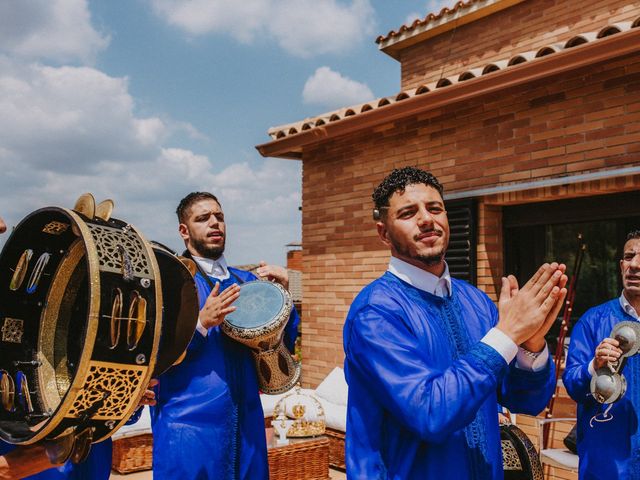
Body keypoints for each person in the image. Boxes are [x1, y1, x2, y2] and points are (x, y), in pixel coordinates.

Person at [343, 167, 568, 479]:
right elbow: (431, 414)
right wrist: (507, 334)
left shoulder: (475, 301)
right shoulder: (376, 313)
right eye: (408, 212)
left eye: (435, 208)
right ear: (384, 233)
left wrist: (531, 344)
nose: (426, 219)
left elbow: (524, 400)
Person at [151, 191, 300, 479]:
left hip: (247, 426)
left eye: (219, 216)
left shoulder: (248, 282)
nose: (214, 223)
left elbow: (281, 351)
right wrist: (201, 324)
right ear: (184, 230)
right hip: (188, 429)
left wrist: (283, 298)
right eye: (203, 218)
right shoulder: (169, 284)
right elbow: (155, 357)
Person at [0, 215, 156, 480]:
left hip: (86, 467)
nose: (3, 225)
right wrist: (41, 457)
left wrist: (123, 400)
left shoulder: (19, 287)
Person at [563, 230, 640, 479]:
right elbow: (573, 383)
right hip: (606, 465)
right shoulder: (592, 320)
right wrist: (594, 365)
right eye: (629, 257)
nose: (635, 265)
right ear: (620, 265)